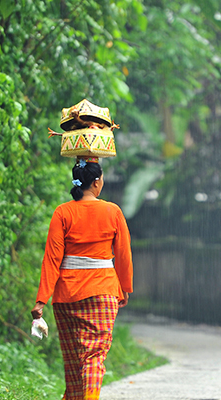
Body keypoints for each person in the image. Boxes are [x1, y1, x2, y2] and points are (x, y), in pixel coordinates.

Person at [31, 157, 133, 400]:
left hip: (67, 297)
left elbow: (52, 259)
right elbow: (123, 254)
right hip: (103, 293)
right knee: (93, 357)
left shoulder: (62, 212)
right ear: (96, 183)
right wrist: (125, 288)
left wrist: (41, 301)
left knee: (74, 362)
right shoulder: (113, 211)